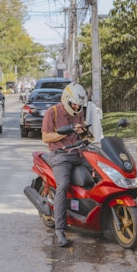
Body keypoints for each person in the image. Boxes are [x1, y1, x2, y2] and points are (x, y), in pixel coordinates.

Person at [41, 82, 93, 247]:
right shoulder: (53, 112)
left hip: (79, 152)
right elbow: (46, 138)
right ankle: (60, 230)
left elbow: (83, 135)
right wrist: (68, 130)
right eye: (75, 104)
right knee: (63, 185)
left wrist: (83, 132)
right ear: (67, 100)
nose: (77, 107)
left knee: (100, 173)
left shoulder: (79, 113)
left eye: (80, 105)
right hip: (61, 155)